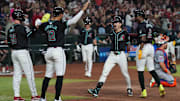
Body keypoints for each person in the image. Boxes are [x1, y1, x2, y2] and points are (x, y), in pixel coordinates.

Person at [38, 2, 90, 101]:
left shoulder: (44, 25)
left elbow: (37, 25)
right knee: (60, 75)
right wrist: (83, 9)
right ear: (61, 14)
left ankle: (42, 97)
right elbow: (74, 20)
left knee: (48, 76)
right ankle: (57, 98)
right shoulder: (61, 24)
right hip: (58, 50)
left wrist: (39, 22)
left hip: (48, 51)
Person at [88, 16, 133, 97]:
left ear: (120, 24)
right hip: (112, 55)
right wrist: (97, 40)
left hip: (121, 55)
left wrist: (128, 53)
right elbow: (105, 40)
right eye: (114, 23)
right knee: (105, 72)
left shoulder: (125, 33)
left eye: (116, 22)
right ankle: (96, 90)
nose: (114, 24)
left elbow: (128, 44)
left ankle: (129, 88)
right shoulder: (111, 33)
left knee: (125, 73)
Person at [7, 9, 40, 101]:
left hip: (14, 52)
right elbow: (30, 35)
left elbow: (9, 42)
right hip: (22, 52)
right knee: (29, 73)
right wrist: (36, 28)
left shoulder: (10, 28)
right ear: (19, 17)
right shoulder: (22, 27)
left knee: (17, 74)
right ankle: (34, 95)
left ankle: (16, 96)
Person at [134, 9, 166, 98]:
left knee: (140, 71)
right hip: (151, 48)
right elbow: (158, 33)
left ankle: (143, 91)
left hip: (143, 47)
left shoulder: (141, 25)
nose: (135, 18)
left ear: (140, 17)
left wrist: (140, 49)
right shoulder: (150, 24)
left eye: (136, 16)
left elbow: (143, 37)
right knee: (151, 69)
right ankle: (160, 86)